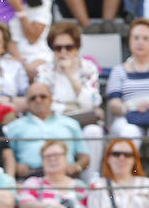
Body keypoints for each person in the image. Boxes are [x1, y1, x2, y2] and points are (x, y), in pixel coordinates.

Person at [105, 19, 149, 177]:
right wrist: (132, 107)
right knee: (129, 132)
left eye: (145, 38)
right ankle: (128, 179)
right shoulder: (119, 70)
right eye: (136, 38)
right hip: (127, 116)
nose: (140, 42)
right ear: (129, 40)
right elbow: (114, 103)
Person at [41, 22, 104, 177]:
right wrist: (69, 109)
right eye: (58, 48)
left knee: (94, 132)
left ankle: (90, 179)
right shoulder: (44, 70)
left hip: (85, 120)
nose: (63, 52)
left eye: (69, 47)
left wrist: (69, 75)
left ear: (76, 47)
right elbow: (44, 103)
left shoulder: (88, 68)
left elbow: (93, 101)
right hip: (58, 120)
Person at [5, 83, 87, 178]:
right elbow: (6, 155)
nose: (38, 100)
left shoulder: (71, 123)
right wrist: (16, 166)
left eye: (43, 96)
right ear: (27, 102)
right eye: (33, 98)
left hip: (66, 176)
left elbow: (85, 157)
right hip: (30, 177)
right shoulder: (14, 127)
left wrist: (76, 167)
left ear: (51, 99)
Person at [2, 0, 52, 80]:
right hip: (11, 56)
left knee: (38, 72)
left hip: (39, 54)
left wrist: (18, 8)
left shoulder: (43, 0)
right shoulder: (0, 2)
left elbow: (33, 37)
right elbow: (5, 39)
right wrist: (22, 62)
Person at [87, 137, 149, 208]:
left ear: (134, 160)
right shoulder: (98, 186)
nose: (121, 158)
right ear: (108, 158)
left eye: (127, 155)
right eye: (116, 154)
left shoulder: (147, 184)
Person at [16, 138, 88, 208]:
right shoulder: (34, 183)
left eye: (57, 155)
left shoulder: (80, 186)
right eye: (48, 156)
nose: (52, 159)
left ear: (66, 158)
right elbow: (23, 207)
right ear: (42, 161)